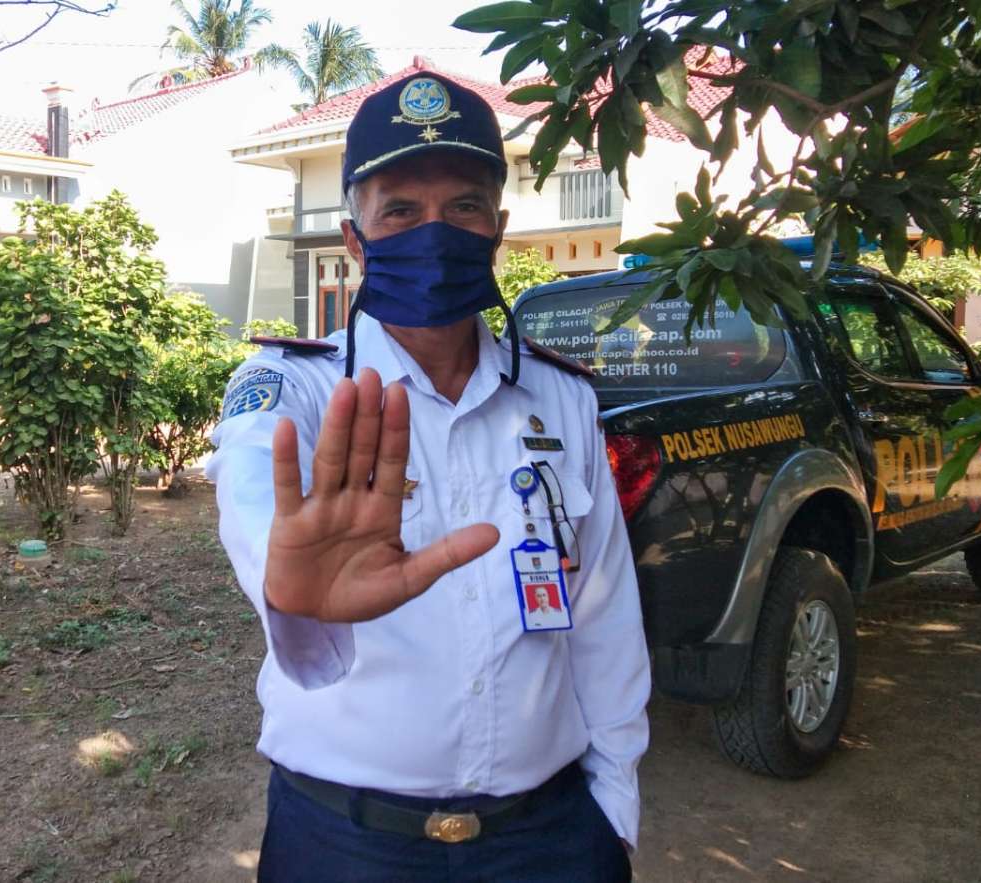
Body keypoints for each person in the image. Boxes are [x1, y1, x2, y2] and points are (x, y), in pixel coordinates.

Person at [207, 70, 650, 882]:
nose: (433, 233)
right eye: (401, 211)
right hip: (342, 843)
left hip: (547, 838)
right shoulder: (294, 388)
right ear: (354, 237)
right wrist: (286, 576)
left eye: (463, 207)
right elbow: (247, 485)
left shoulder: (561, 398)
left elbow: (605, 614)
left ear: (498, 229)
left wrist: (614, 808)